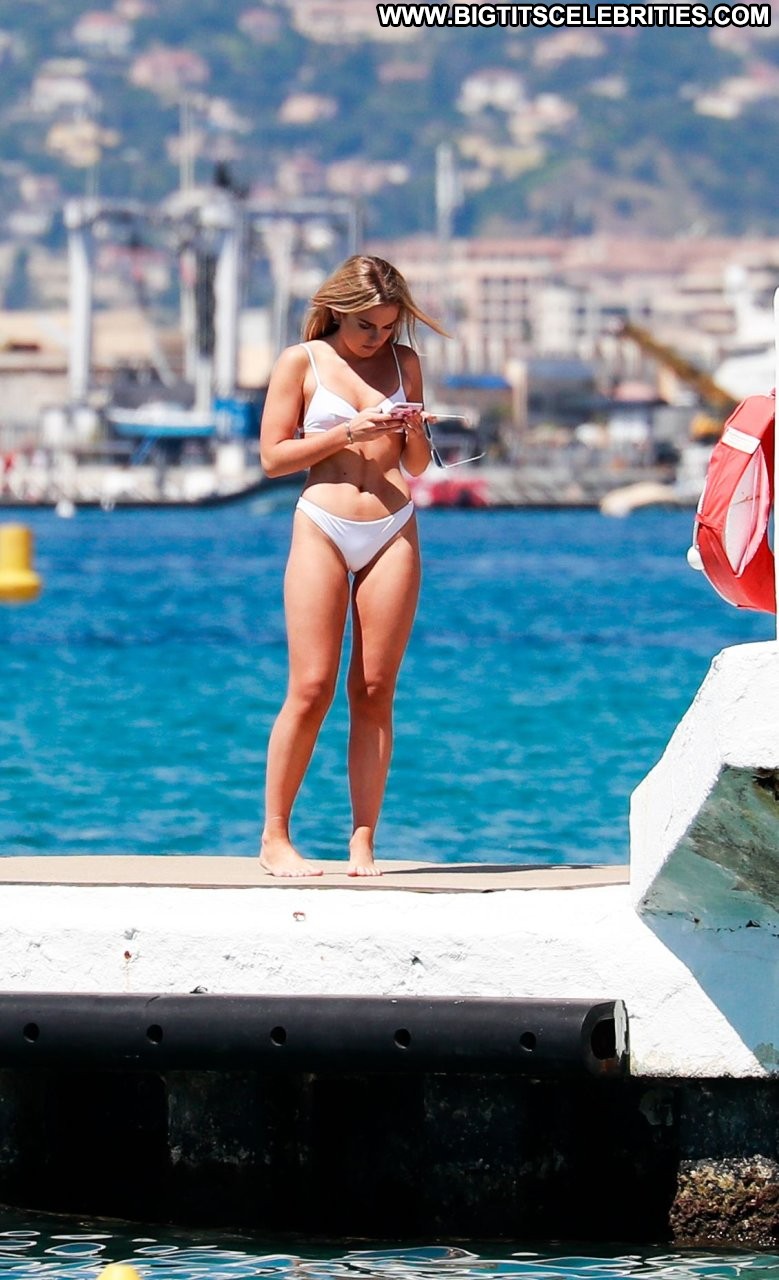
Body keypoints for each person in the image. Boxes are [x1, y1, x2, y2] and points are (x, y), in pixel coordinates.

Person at [259, 254, 446, 877]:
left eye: (388, 326)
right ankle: (275, 837)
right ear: (339, 310)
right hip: (323, 523)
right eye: (367, 325)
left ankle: (363, 839)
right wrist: (349, 432)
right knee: (311, 686)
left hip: (394, 526)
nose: (377, 337)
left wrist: (411, 427)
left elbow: (415, 465)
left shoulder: (406, 363)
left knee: (374, 690)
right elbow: (273, 458)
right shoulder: (302, 362)